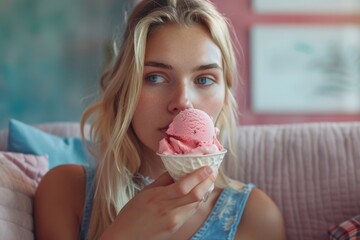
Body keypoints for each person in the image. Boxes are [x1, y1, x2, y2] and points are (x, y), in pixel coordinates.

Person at [34, 0, 286, 239]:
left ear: (225, 95)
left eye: (204, 79)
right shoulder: (64, 193)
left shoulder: (255, 217)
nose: (183, 101)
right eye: (155, 77)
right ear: (123, 90)